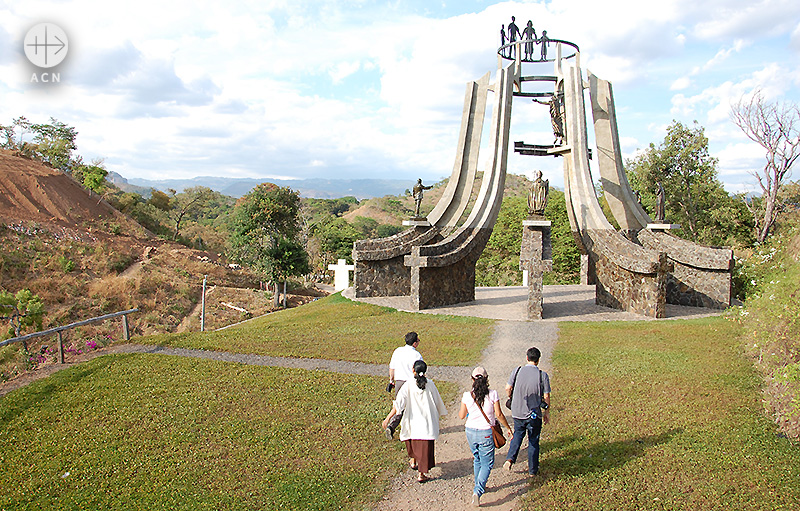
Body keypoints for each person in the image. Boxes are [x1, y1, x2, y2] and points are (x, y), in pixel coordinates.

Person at [382, 360, 448, 482]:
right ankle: (420, 473)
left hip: (412, 421)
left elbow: (399, 404)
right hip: (426, 422)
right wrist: (439, 413)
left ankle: (414, 463)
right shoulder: (431, 384)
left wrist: (388, 418)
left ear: (413, 370)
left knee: (412, 443)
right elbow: (437, 400)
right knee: (424, 447)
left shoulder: (408, 385)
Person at [458, 367, 512, 507]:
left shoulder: (467, 395)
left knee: (477, 459)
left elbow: (462, 415)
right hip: (486, 433)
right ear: (486, 379)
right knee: (487, 463)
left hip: (470, 431)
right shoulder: (493, 394)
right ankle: (478, 491)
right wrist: (508, 427)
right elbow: (499, 415)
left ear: (472, 379)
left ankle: (479, 484)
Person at [503, 347, 551, 476]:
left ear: (527, 358)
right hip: (534, 415)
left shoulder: (517, 371)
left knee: (518, 434)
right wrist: (546, 413)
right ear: (538, 360)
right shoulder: (542, 375)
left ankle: (510, 459)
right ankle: (533, 471)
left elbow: (508, 388)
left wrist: (511, 398)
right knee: (533, 441)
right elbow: (546, 396)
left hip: (518, 412)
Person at [385, 331, 424, 438]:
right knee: (414, 406)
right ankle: (414, 428)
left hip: (399, 382)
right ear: (415, 343)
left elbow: (392, 368)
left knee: (399, 406)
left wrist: (391, 381)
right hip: (412, 383)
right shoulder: (416, 355)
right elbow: (420, 370)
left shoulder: (397, 351)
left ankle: (392, 426)